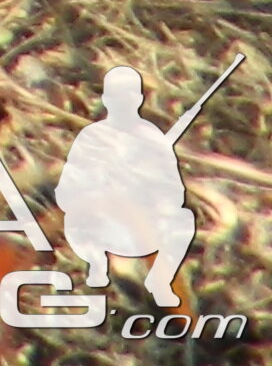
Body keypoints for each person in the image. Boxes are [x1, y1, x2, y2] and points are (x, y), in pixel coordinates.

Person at [55, 66, 198, 307]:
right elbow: (69, 185)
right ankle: (112, 277)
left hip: (146, 216)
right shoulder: (93, 136)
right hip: (104, 213)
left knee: (180, 221)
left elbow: (173, 187)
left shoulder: (151, 135)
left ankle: (162, 285)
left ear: (140, 99)